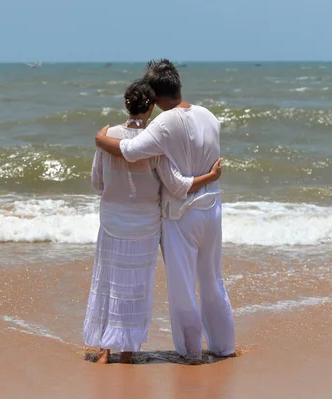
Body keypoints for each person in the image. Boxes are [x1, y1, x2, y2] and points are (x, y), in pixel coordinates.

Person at [94, 59, 235, 361]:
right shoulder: (209, 116)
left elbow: (130, 151)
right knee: (213, 279)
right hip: (213, 207)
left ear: (155, 97)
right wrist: (210, 178)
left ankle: (192, 350)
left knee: (183, 286)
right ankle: (224, 346)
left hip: (182, 214)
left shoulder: (164, 122)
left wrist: (100, 139)